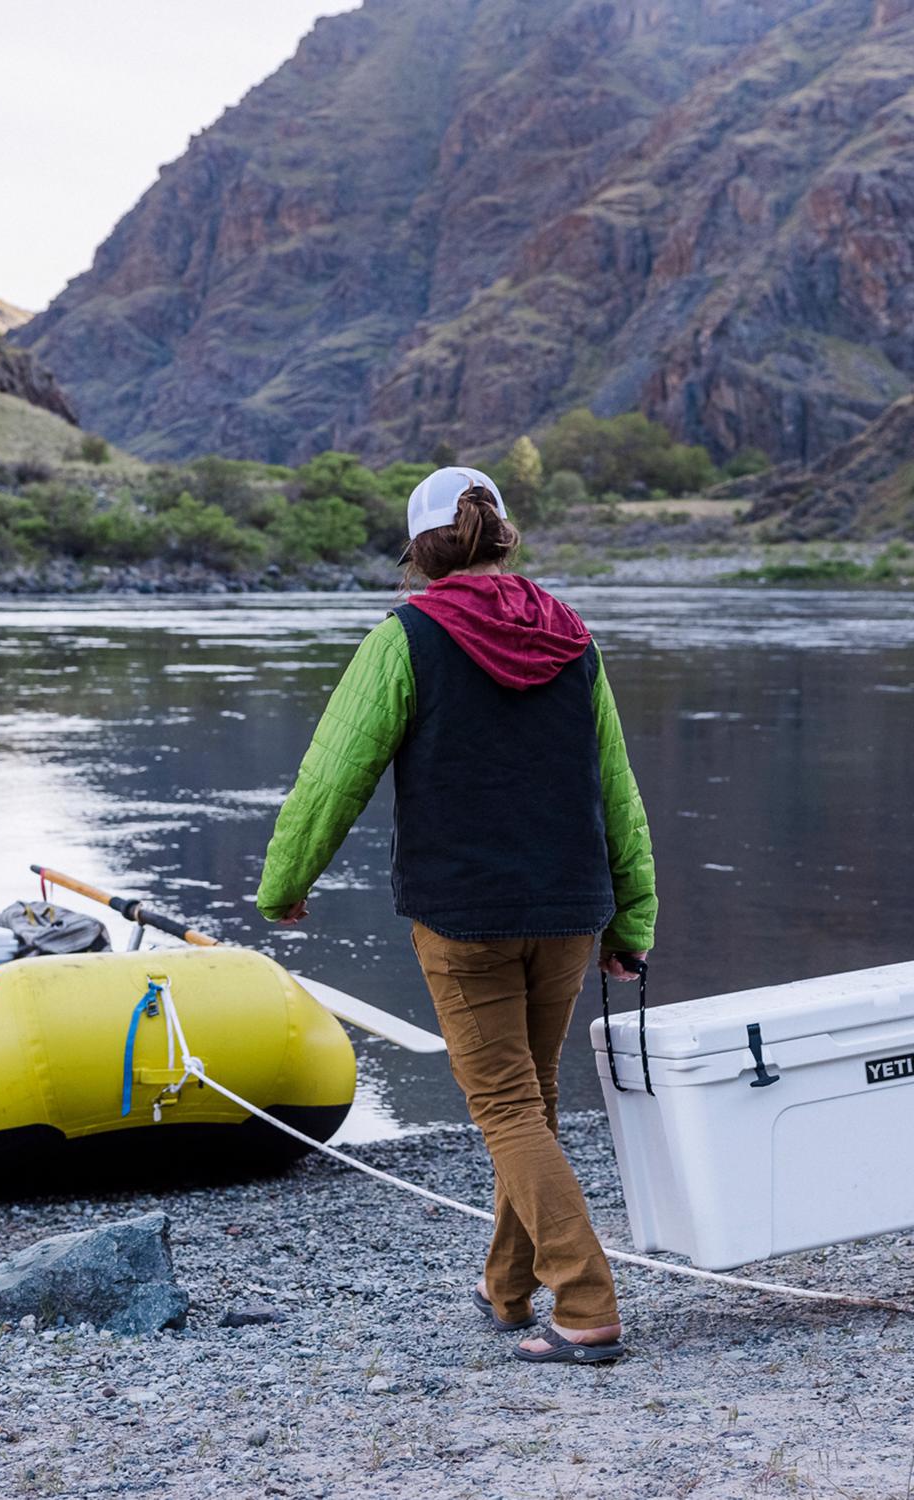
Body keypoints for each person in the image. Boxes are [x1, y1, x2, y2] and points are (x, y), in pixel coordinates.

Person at [256, 466, 657, 1362]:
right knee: (532, 1099)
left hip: (464, 913)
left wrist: (285, 883)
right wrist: (632, 919)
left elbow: (332, 774)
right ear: (503, 537)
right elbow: (618, 791)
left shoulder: (404, 638)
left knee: (508, 1107)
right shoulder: (573, 638)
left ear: (421, 553)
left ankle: (586, 1301)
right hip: (569, 910)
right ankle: (506, 1288)